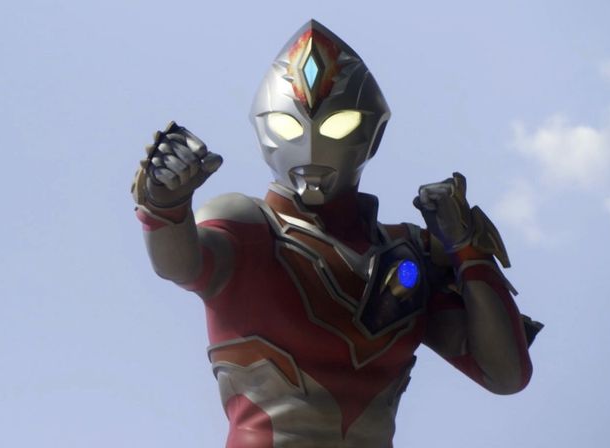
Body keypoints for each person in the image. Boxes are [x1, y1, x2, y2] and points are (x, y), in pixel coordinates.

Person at [130, 19, 542, 448]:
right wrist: (165, 205)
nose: (311, 146)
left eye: (337, 125)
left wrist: (467, 250)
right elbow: (180, 264)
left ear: (372, 133)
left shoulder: (408, 255)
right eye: (288, 126)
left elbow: (505, 374)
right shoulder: (248, 227)